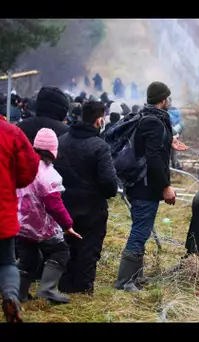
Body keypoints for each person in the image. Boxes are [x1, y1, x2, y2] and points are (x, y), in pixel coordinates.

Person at [114, 81, 177, 292]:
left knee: (143, 229)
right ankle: (124, 282)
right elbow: (154, 158)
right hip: (145, 186)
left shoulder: (148, 117)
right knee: (140, 231)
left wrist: (169, 141)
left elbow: (150, 148)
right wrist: (166, 186)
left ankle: (136, 277)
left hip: (141, 184)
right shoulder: (154, 122)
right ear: (164, 99)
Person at [54, 101, 118, 295]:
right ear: (99, 120)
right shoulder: (100, 146)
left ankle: (63, 284)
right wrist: (108, 192)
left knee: (66, 247)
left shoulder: (61, 140)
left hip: (64, 204)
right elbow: (109, 183)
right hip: (92, 207)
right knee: (88, 250)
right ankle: (82, 290)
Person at [16, 129, 82, 305]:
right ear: (54, 151)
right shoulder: (48, 175)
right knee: (60, 251)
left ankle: (19, 293)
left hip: (19, 223)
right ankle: (48, 290)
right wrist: (67, 225)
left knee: (29, 259)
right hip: (40, 226)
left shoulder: (21, 165)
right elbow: (55, 205)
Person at [0, 119, 39, 323]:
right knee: (6, 262)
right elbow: (28, 171)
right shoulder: (11, 132)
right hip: (2, 212)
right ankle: (10, 296)